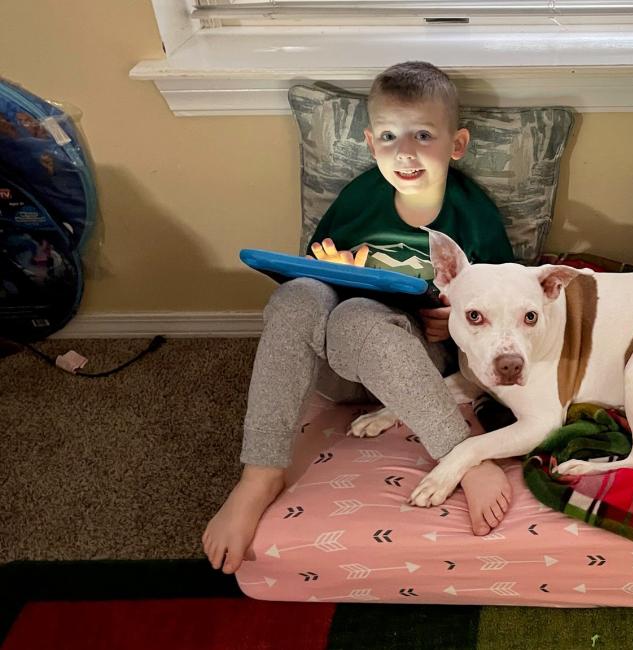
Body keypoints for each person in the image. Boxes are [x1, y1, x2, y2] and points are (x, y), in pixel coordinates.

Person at [204, 61, 517, 574]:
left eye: (423, 135)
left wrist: (458, 324)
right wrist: (334, 269)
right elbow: (315, 270)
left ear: (455, 144)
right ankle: (260, 474)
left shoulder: (471, 212)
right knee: (300, 295)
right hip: (336, 369)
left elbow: (503, 298)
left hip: (416, 362)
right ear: (371, 144)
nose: (406, 152)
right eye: (390, 137)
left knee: (358, 320)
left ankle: (464, 457)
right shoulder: (360, 196)